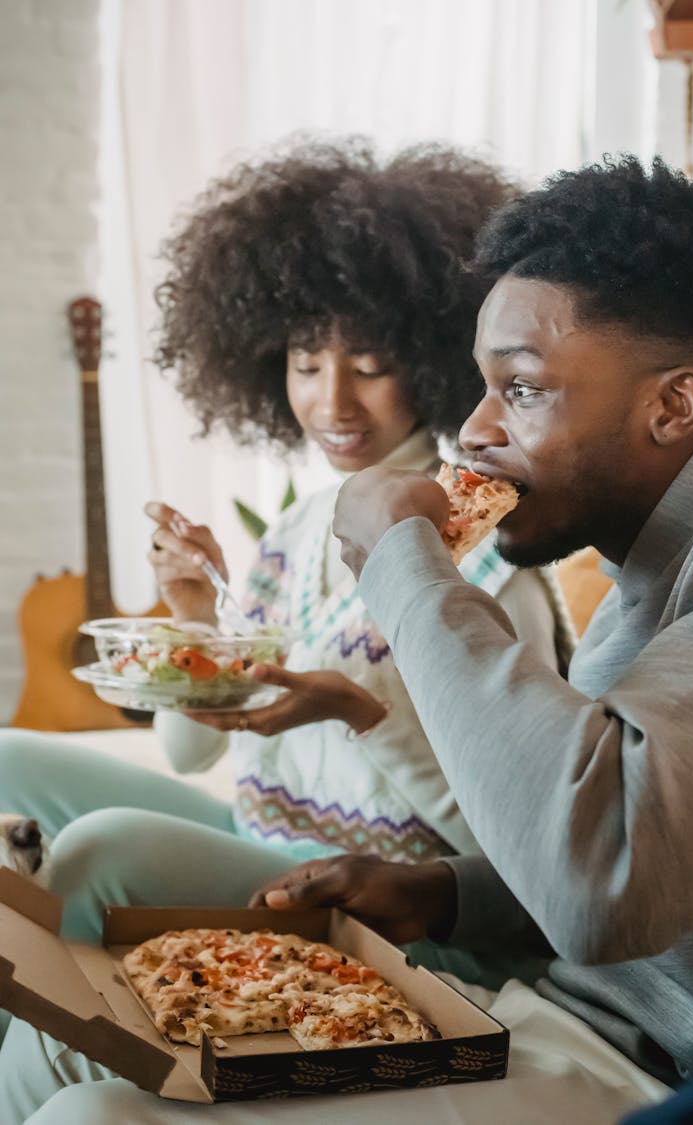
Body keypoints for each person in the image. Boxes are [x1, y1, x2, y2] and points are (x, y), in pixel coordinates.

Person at [8, 150, 693, 1124]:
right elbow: (654, 857)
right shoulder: (650, 555)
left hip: (649, 1076)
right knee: (68, 1040)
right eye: (482, 385)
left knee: (92, 1116)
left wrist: (402, 563)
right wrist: (443, 894)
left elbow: (603, 881)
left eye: (519, 389)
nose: (474, 430)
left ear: (673, 404)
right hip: (549, 1009)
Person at [0, 139, 568, 961]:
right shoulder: (295, 533)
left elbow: (528, 845)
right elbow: (194, 752)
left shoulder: (486, 560)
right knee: (8, 758)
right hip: (262, 834)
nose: (332, 399)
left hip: (389, 893)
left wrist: (360, 712)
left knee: (98, 853)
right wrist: (194, 618)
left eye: (369, 366)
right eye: (306, 363)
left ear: (439, 362)